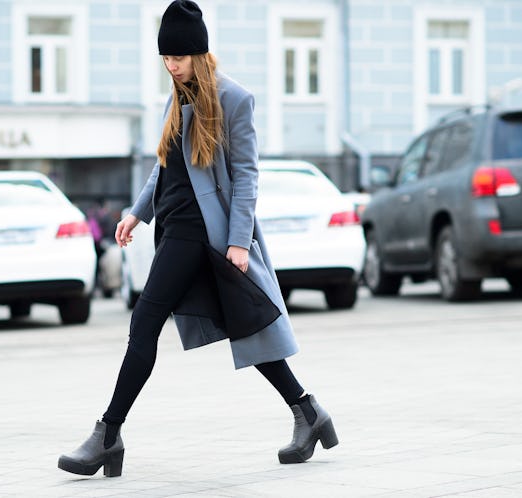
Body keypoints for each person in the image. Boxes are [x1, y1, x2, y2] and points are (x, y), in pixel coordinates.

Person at [57, 0, 337, 478]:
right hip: (173, 228)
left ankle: (108, 434)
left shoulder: (234, 99)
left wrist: (238, 241)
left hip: (202, 234)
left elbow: (247, 174)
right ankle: (309, 413)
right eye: (165, 58)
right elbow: (163, 167)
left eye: (179, 58)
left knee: (144, 320)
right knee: (243, 325)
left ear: (200, 54)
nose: (172, 65)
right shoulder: (175, 98)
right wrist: (136, 214)